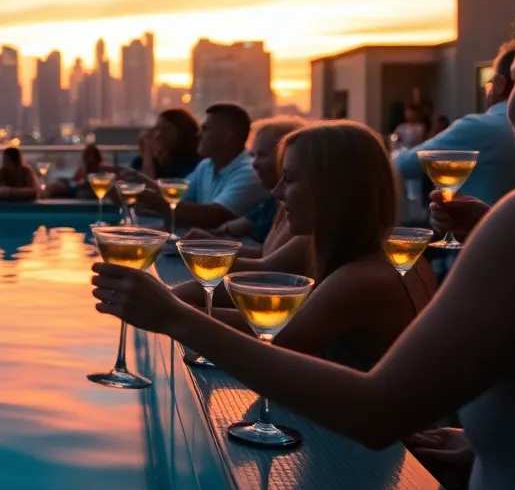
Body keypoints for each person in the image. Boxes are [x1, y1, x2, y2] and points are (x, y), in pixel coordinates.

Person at [91, 0, 515, 490]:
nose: (504, 105)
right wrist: (492, 447)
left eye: (514, 84)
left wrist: (176, 318)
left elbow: (374, 412)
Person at [174, 121, 436, 369]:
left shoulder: (363, 279)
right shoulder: (386, 254)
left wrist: (171, 309)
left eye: (288, 179)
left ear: (331, 188)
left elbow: (278, 339)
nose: (276, 193)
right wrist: (181, 297)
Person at [394, 40, 515, 207]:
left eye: (489, 84)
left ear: (499, 85)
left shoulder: (478, 127)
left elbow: (404, 166)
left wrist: (393, 152)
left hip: (479, 232)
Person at [185, 116, 305, 254]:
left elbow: (268, 261)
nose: (254, 164)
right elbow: (235, 229)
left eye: (262, 155)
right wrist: (210, 240)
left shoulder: (297, 209)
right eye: (253, 155)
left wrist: (204, 254)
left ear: (287, 158)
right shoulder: (273, 202)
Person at [142, 103, 267, 228]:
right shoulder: (206, 165)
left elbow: (213, 217)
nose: (198, 134)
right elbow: (176, 195)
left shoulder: (250, 172)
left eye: (205, 129)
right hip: (206, 243)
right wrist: (141, 183)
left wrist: (150, 194)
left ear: (227, 135)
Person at [132, 109, 202, 180]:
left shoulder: (194, 165)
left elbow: (149, 188)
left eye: (166, 129)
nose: (158, 135)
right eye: (157, 128)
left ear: (182, 134)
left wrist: (148, 158)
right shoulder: (140, 162)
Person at [48, 143, 117, 198]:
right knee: (55, 186)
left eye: (90, 155)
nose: (87, 158)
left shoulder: (102, 168)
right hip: (75, 188)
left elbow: (115, 173)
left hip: (80, 191)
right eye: (86, 155)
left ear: (96, 157)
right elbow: (73, 181)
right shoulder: (83, 169)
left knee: (58, 188)